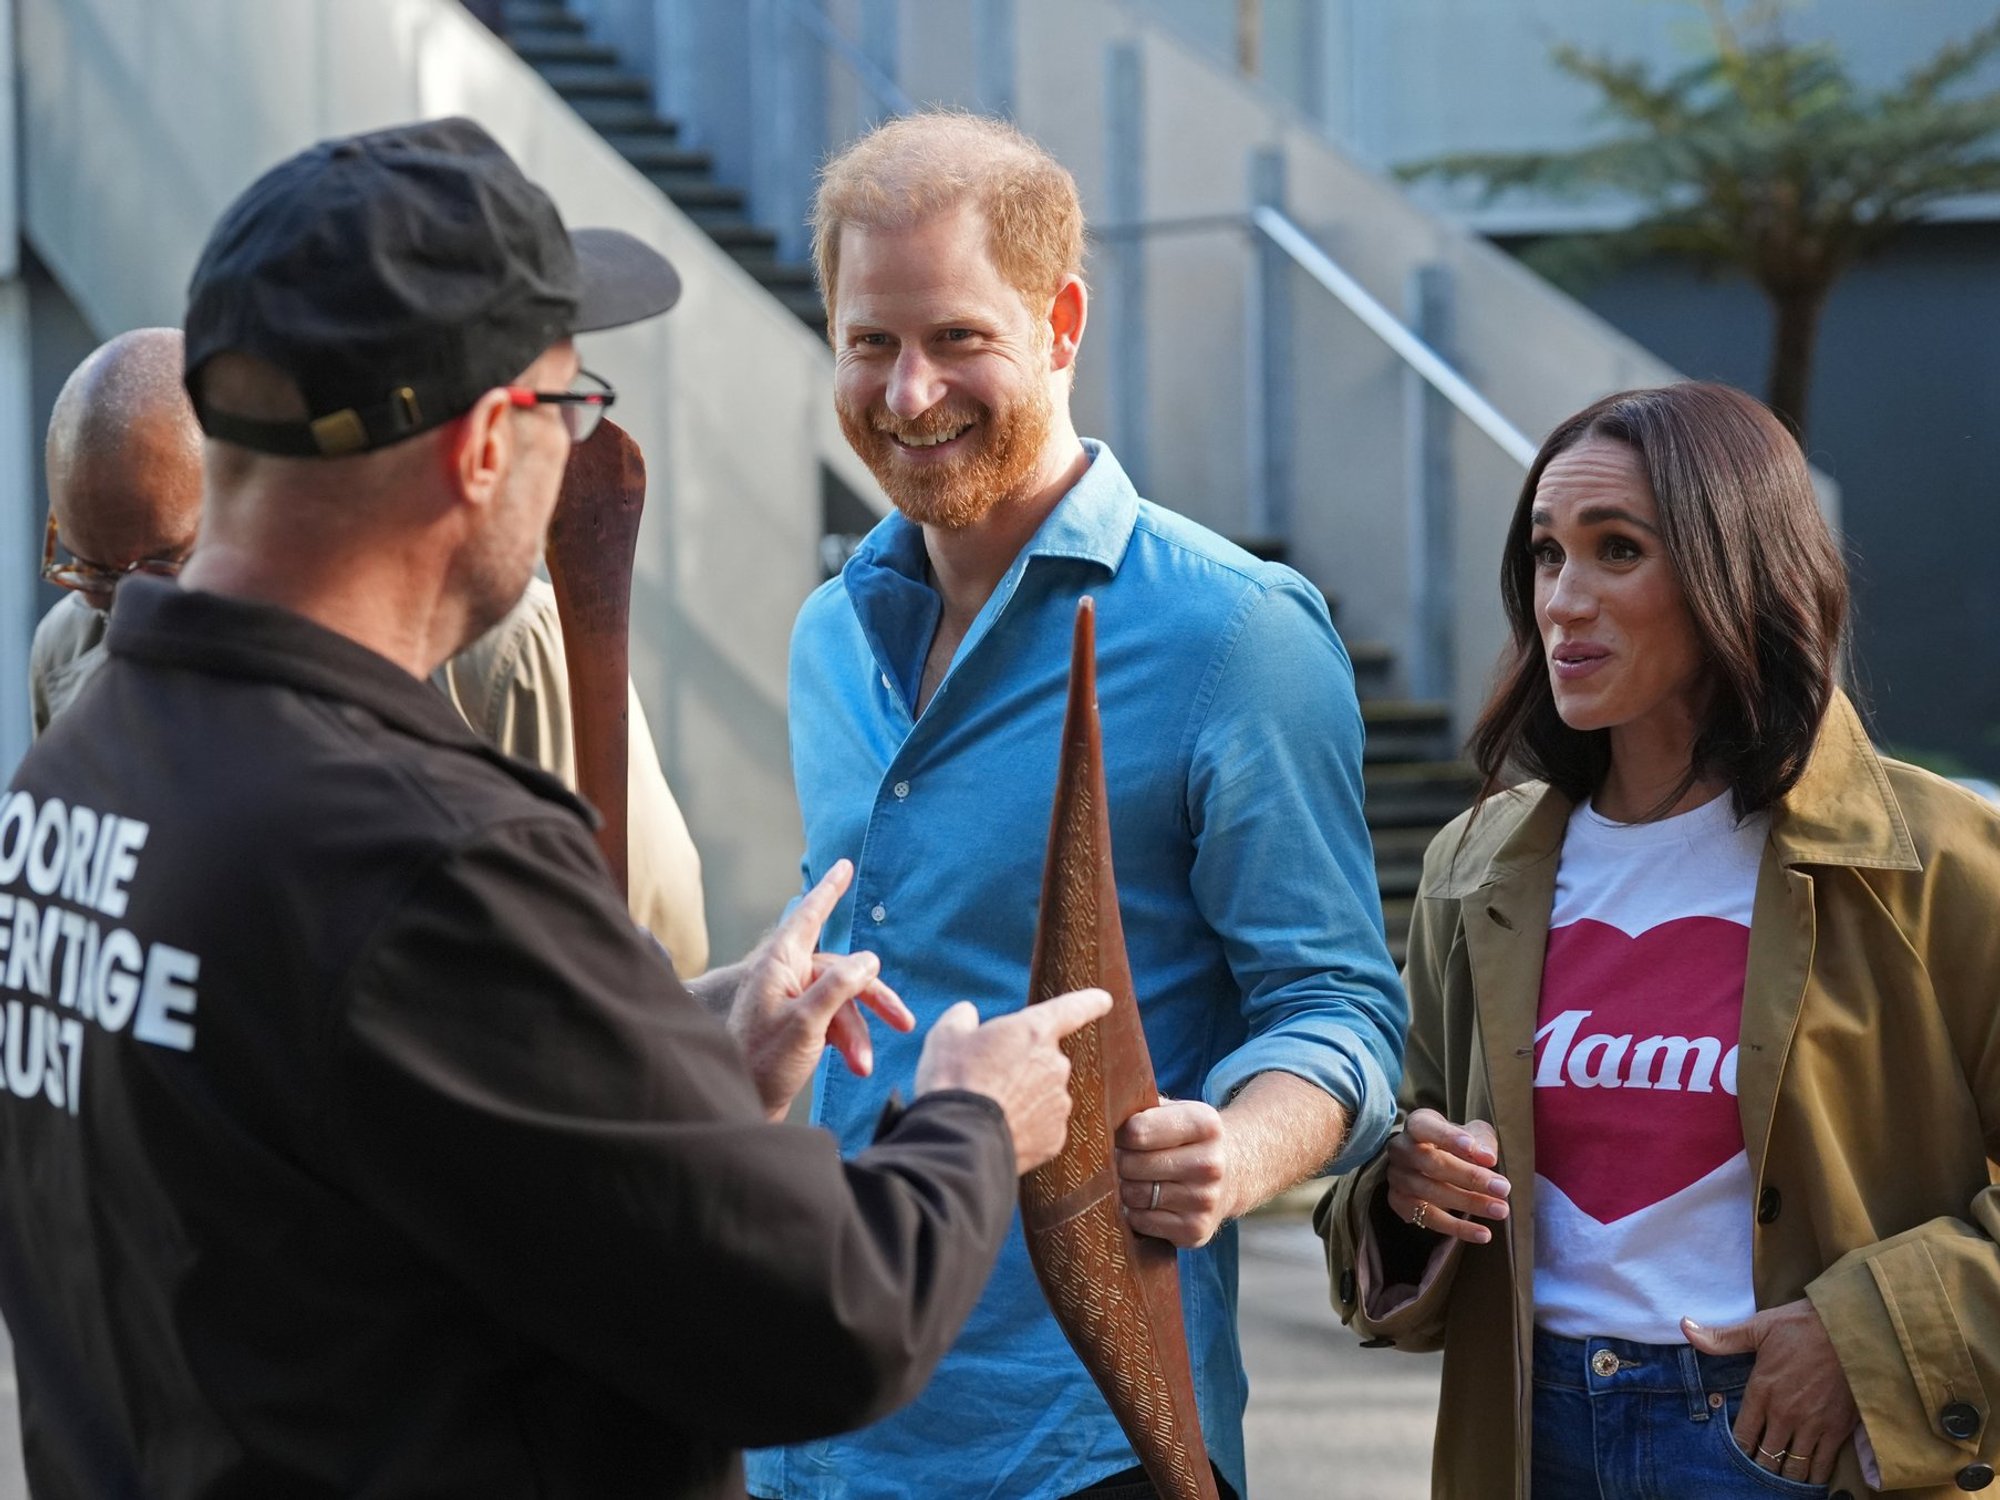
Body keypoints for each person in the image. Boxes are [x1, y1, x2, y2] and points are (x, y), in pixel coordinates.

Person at [0, 116, 1113, 1499]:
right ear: (482, 447)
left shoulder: (76, 774)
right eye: (569, 404)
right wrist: (970, 1120)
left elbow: (347, 1166)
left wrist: (685, 1068)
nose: (575, 453)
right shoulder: (421, 855)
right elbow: (828, 1319)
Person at [749, 112, 1407, 1500]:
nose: (910, 393)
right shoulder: (827, 632)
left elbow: (1341, 1009)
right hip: (817, 1414)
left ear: (1061, 322)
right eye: (869, 342)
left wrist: (1234, 1146)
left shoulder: (1236, 635)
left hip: (1076, 1433)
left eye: (957, 339)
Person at [1317, 382, 2000, 1500]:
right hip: (1529, 1439)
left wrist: (1865, 1339)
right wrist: (1401, 1196)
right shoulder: (1472, 865)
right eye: (1544, 556)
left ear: (1733, 572)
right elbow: (1405, 1151)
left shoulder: (1934, 861)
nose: (1563, 602)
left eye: (1615, 551)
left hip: (1794, 1444)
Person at [31, 327, 709, 970]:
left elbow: (656, 938)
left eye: (164, 563)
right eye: (91, 571)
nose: (130, 609)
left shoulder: (499, 652)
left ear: (249, 497)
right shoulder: (69, 651)